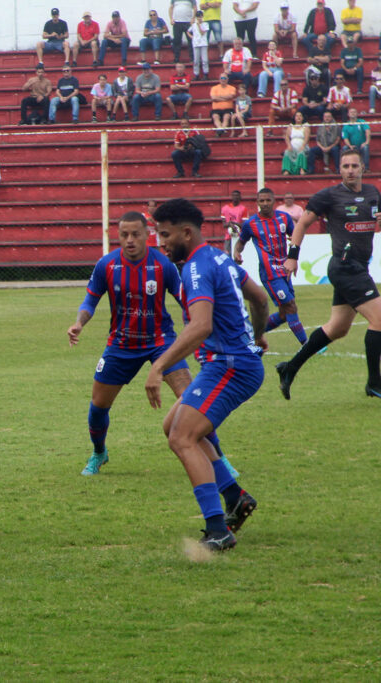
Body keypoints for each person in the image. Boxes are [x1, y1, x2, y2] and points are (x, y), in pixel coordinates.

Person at [145, 198, 267, 551]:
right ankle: (234, 497)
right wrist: (257, 335)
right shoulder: (218, 257)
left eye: (165, 235)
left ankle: (218, 530)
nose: (161, 243)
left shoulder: (195, 267)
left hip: (229, 365)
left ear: (187, 232)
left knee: (182, 437)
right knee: (174, 426)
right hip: (231, 362)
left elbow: (200, 326)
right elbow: (259, 299)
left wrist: (158, 365)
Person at [70, 212, 188, 475]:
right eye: (124, 235)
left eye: (136, 234)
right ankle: (99, 452)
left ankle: (217, 458)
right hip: (122, 343)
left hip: (161, 340)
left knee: (191, 399)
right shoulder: (107, 265)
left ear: (148, 234)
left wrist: (197, 326)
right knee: (98, 406)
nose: (130, 240)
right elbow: (90, 301)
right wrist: (79, 323)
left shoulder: (163, 265)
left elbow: (185, 301)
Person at [276, 149, 381, 401]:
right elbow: (301, 224)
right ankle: (374, 383)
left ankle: (289, 367)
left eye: (354, 165)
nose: (350, 170)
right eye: (345, 166)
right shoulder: (329, 196)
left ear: (362, 168)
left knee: (337, 328)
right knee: (379, 319)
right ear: (340, 169)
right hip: (345, 267)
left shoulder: (373, 193)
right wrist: (293, 256)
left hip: (359, 266)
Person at [233, 187, 308, 347]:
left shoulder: (284, 218)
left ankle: (249, 335)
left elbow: (295, 236)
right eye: (262, 201)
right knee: (290, 306)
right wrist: (237, 252)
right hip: (269, 273)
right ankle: (307, 344)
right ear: (257, 202)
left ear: (274, 201)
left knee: (283, 314)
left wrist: (293, 254)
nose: (265, 203)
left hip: (285, 269)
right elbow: (241, 242)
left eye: (268, 200)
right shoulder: (251, 223)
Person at [283, 110, 310, 174]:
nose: (298, 117)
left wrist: (303, 145)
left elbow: (307, 137)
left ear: (303, 118)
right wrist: (289, 145)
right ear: (294, 118)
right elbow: (287, 137)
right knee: (287, 152)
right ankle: (287, 170)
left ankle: (302, 169)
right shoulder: (290, 127)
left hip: (302, 145)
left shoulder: (305, 127)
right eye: (297, 116)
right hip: (292, 146)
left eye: (300, 116)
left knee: (301, 152)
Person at [189, 11, 212, 79]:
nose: (199, 18)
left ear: (202, 16)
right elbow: (188, 31)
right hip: (196, 44)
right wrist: (192, 37)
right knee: (196, 60)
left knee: (204, 60)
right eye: (198, 16)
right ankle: (196, 74)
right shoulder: (193, 25)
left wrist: (199, 25)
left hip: (203, 43)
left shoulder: (205, 24)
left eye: (200, 16)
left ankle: (206, 74)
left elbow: (202, 32)